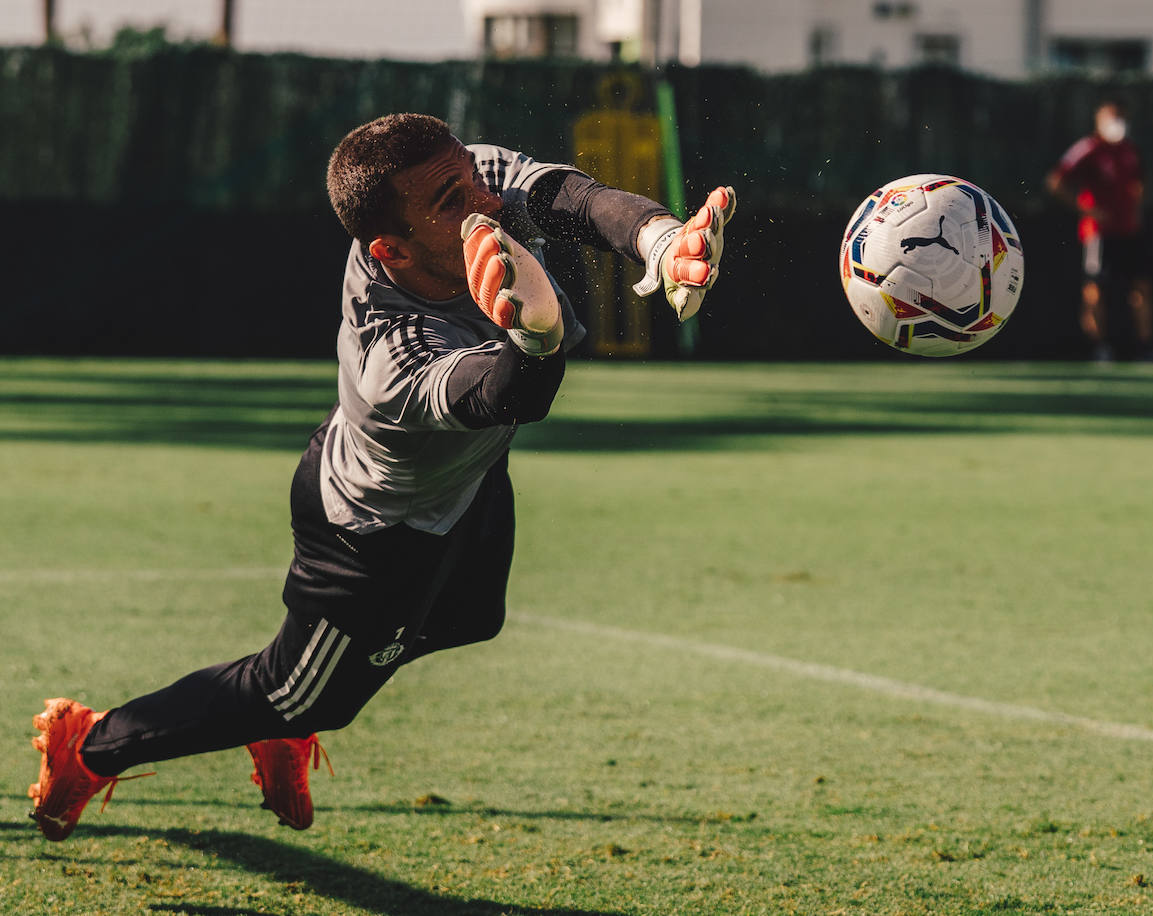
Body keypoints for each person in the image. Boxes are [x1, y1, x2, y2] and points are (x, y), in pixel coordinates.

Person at [27, 112, 736, 841]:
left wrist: (661, 238)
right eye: (450, 203)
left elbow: (574, 202)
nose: (483, 203)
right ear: (390, 250)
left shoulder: (461, 181)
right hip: (374, 534)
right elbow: (506, 397)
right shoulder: (389, 349)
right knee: (297, 695)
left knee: (472, 619)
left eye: (470, 178)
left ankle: (280, 719)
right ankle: (91, 744)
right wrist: (539, 336)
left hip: (465, 481)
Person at [1045, 100, 1153, 361]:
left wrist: (1136, 208)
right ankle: (1099, 347)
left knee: (1141, 287)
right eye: (1111, 118)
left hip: (1130, 231)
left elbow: (1140, 183)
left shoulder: (1130, 150)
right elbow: (1055, 182)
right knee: (1095, 289)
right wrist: (1087, 211)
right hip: (1099, 233)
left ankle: (1146, 346)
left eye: (1121, 117)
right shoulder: (1088, 149)